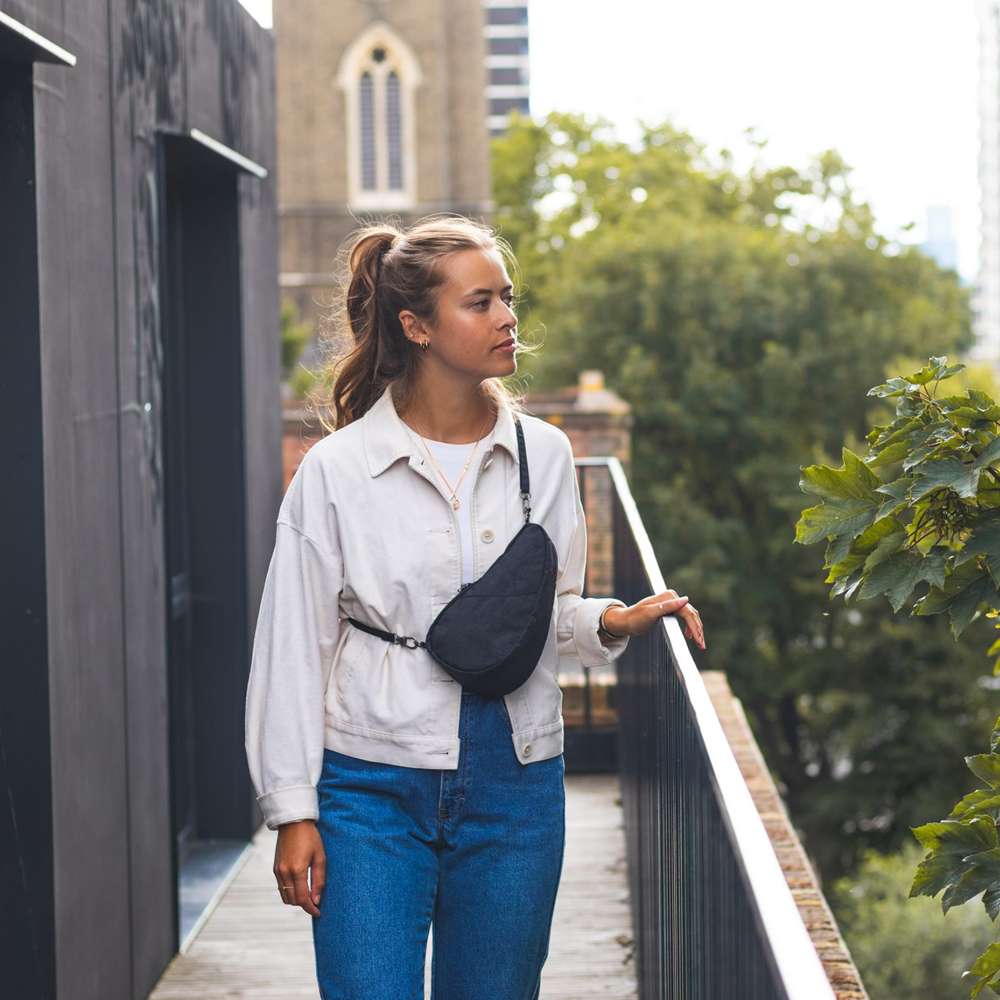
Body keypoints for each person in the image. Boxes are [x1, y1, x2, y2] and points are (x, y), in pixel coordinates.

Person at [244, 213, 706, 1000]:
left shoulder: (544, 456)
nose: (507, 318)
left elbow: (536, 618)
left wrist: (610, 621)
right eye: (480, 302)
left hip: (515, 780)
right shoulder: (338, 470)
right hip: (370, 784)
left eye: (508, 298)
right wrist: (292, 809)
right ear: (416, 326)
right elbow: (293, 646)